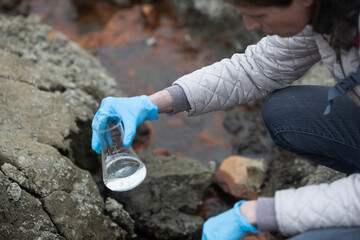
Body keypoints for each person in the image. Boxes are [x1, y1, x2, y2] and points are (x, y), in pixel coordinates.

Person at [91, 0, 360, 239]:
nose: (249, 24)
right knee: (285, 112)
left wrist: (257, 212)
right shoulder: (328, 13)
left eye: (259, 13)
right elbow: (257, 67)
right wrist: (150, 103)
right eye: (242, 12)